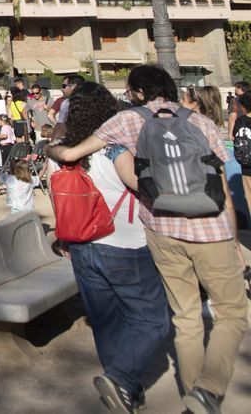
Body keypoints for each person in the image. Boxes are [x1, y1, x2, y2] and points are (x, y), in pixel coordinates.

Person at [52, 65, 247, 414]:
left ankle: (148, 390)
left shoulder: (110, 130)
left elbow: (66, 161)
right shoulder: (194, 124)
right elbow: (209, 184)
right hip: (171, 234)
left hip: (120, 236)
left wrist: (52, 147)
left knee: (150, 318)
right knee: (200, 316)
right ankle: (190, 388)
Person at [50, 81, 168, 413]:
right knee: (152, 319)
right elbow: (142, 186)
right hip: (125, 243)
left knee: (106, 321)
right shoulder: (115, 149)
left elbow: (55, 200)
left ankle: (126, 389)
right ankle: (120, 379)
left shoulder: (58, 152)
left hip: (81, 246)